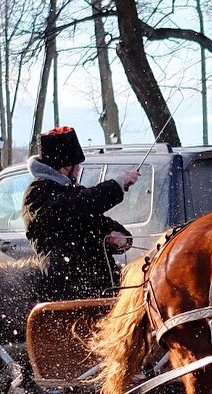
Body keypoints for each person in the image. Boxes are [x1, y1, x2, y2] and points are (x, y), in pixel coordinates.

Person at [22, 125, 139, 300]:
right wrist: (116, 184)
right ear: (63, 167)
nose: (78, 170)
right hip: (66, 288)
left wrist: (119, 237)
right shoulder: (37, 194)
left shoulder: (72, 191)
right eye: (75, 165)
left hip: (101, 286)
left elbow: (98, 222)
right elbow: (78, 207)